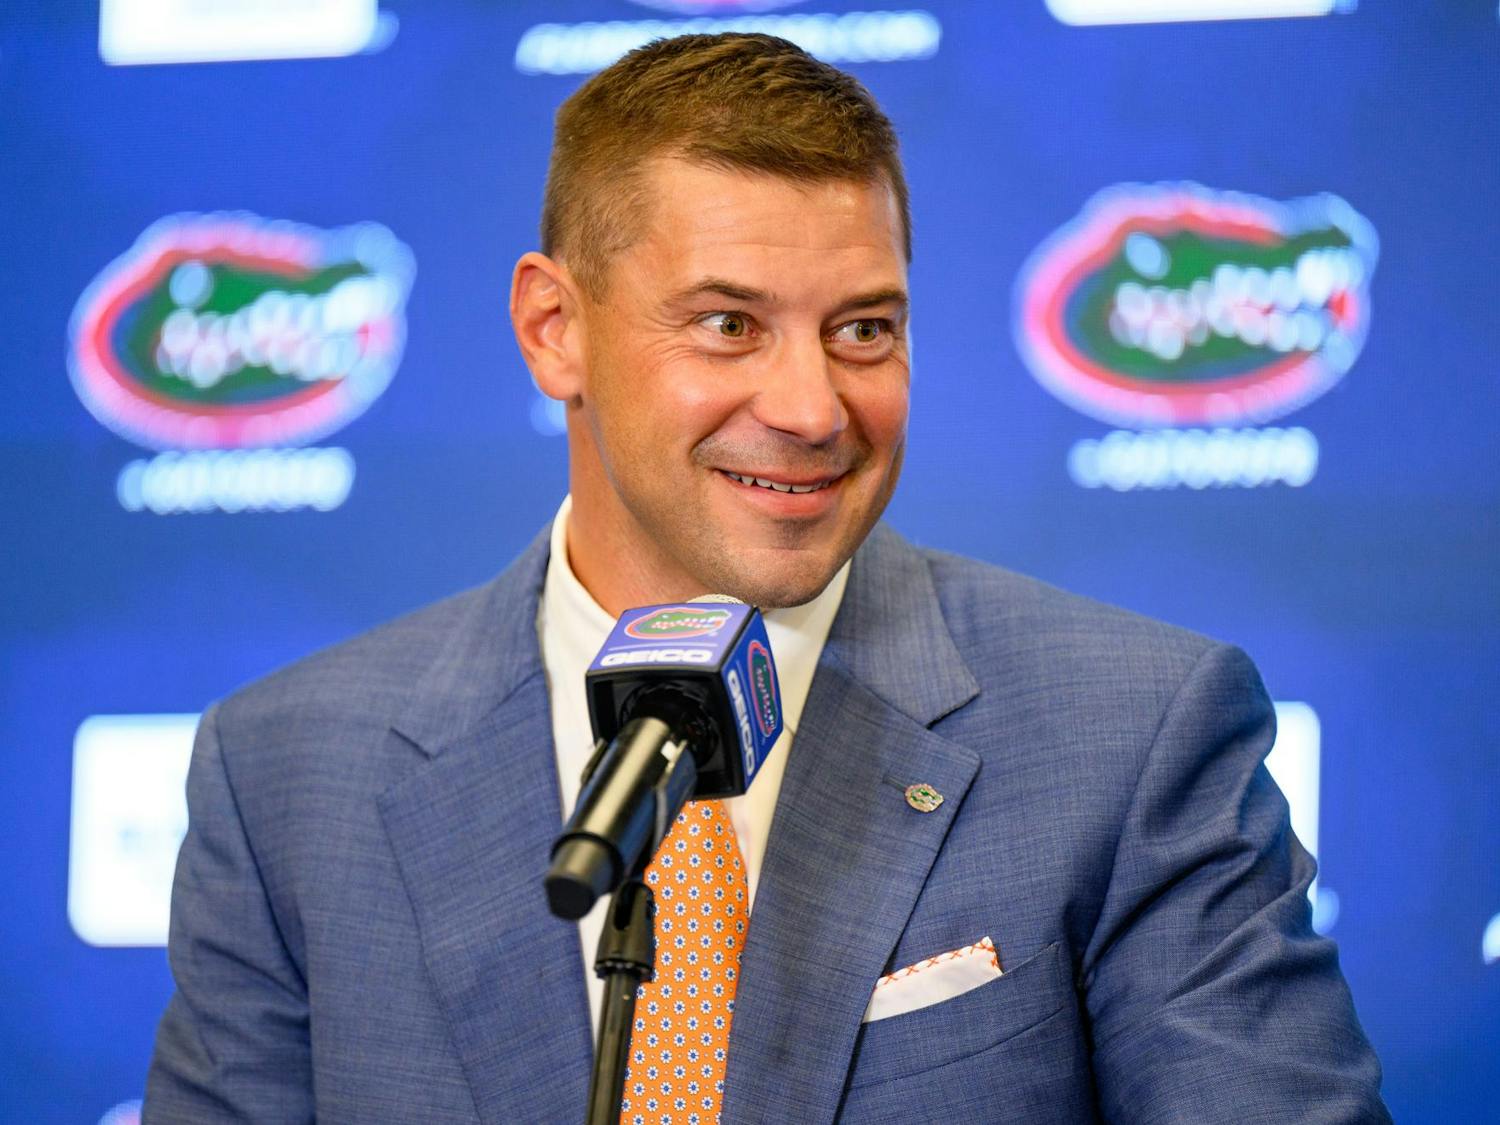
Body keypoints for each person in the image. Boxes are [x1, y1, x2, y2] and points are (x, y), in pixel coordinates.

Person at [145, 33, 1390, 1124]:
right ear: (554, 331)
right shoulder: (287, 776)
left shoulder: (1134, 734)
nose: (811, 409)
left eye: (864, 330)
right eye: (729, 324)